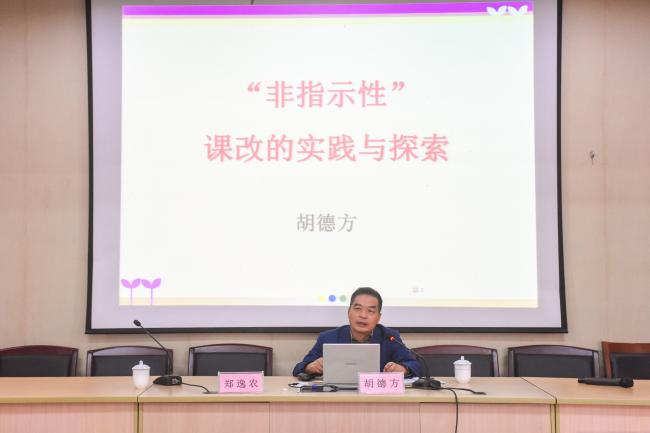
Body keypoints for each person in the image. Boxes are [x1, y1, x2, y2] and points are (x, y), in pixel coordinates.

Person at [292, 287, 422, 377]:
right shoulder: (328, 337)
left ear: (378, 317)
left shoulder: (390, 337)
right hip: (338, 396)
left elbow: (416, 366)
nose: (363, 315)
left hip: (376, 397)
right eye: (358, 308)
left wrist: (403, 369)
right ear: (348, 312)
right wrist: (310, 367)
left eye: (370, 311)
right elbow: (298, 368)